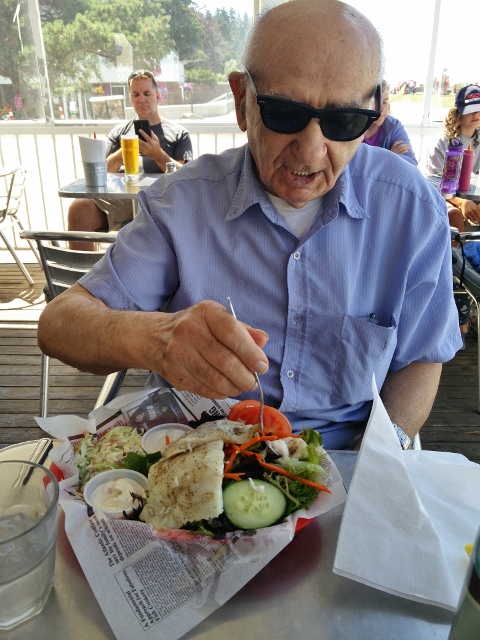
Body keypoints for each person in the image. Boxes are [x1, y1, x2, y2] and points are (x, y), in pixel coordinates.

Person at [38, 0, 461, 450]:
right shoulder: (180, 203)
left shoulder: (412, 209)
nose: (310, 152)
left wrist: (381, 453)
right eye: (284, 114)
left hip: (348, 453)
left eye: (343, 121)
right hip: (198, 452)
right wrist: (157, 339)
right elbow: (59, 324)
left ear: (373, 114)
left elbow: (421, 357)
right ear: (242, 102)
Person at [67, 70, 192, 250]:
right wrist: (123, 151)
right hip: (122, 199)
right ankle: (85, 268)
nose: (141, 99)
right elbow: (101, 172)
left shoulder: (178, 133)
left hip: (162, 199)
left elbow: (187, 177)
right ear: (130, 99)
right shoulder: (119, 132)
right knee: (78, 209)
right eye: (136, 94)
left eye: (147, 94)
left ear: (157, 96)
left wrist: (158, 154)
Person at [427, 84, 480, 233]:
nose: (476, 114)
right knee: (454, 214)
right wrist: (461, 202)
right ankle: (457, 249)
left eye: (479, 109)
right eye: (470, 110)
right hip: (441, 196)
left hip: (471, 196)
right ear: (458, 112)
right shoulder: (443, 142)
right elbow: (433, 182)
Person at [362, 81, 417, 165]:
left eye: (385, 102)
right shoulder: (351, 128)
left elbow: (411, 163)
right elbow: (347, 168)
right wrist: (389, 156)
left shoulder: (394, 126)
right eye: (375, 103)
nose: (381, 109)